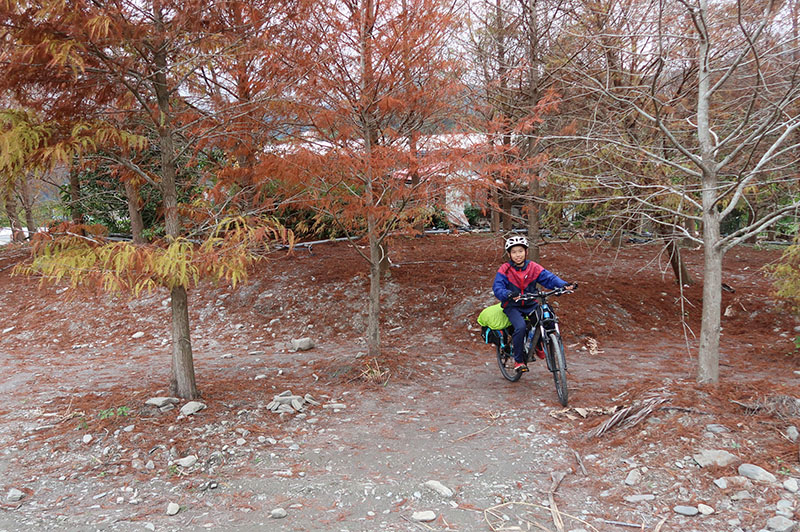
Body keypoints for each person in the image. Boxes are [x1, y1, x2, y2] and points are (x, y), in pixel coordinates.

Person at [492, 235, 575, 373]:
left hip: (530, 303)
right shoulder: (505, 269)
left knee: (547, 319)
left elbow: (549, 278)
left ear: (526, 252)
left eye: (520, 251)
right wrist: (508, 294)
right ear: (509, 254)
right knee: (520, 327)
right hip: (513, 305)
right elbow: (498, 288)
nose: (518, 255)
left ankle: (538, 343)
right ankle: (519, 361)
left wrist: (564, 285)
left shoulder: (532, 267)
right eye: (514, 252)